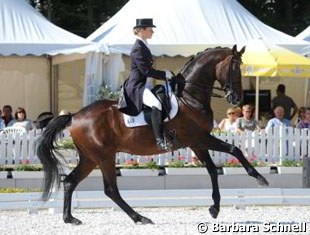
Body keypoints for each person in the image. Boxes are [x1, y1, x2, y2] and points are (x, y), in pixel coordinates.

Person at [118, 18, 173, 151]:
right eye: (150, 29)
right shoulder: (138, 48)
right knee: (157, 104)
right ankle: (159, 140)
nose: (152, 31)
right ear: (141, 30)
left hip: (145, 85)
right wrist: (164, 74)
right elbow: (145, 71)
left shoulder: (144, 45)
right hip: (137, 87)